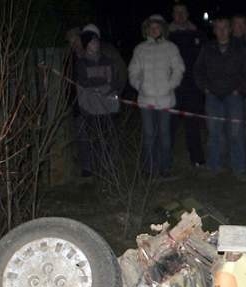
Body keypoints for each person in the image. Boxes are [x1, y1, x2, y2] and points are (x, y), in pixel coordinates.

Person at [194, 16, 246, 178]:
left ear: (230, 29)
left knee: (235, 133)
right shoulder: (207, 48)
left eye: (225, 27)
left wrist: (240, 90)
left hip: (233, 96)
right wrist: (205, 88)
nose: (221, 31)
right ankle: (214, 167)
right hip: (213, 96)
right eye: (218, 28)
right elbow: (198, 70)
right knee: (214, 133)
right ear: (214, 30)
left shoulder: (240, 48)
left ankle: (239, 169)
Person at [128, 14, 184, 177]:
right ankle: (149, 169)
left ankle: (165, 168)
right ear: (147, 30)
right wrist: (140, 86)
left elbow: (179, 69)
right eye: (151, 27)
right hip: (146, 101)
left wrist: (170, 85)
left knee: (165, 137)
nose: (154, 30)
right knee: (149, 136)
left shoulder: (171, 47)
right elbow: (133, 71)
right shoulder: (140, 49)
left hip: (165, 100)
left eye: (157, 27)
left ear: (162, 29)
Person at [75, 28, 120, 177]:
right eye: (92, 41)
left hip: (107, 107)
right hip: (90, 107)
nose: (95, 44)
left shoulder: (109, 61)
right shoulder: (81, 64)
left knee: (107, 137)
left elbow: (113, 82)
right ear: (86, 45)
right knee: (91, 138)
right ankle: (90, 167)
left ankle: (107, 165)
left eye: (96, 41)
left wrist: (100, 87)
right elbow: (84, 84)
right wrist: (100, 85)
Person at [169, 3, 206, 167]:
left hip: (192, 88)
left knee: (193, 126)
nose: (180, 15)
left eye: (182, 12)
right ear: (172, 15)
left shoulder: (198, 34)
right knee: (169, 126)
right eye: (176, 12)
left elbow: (204, 60)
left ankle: (197, 159)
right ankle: (165, 160)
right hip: (172, 88)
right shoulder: (166, 36)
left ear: (188, 14)